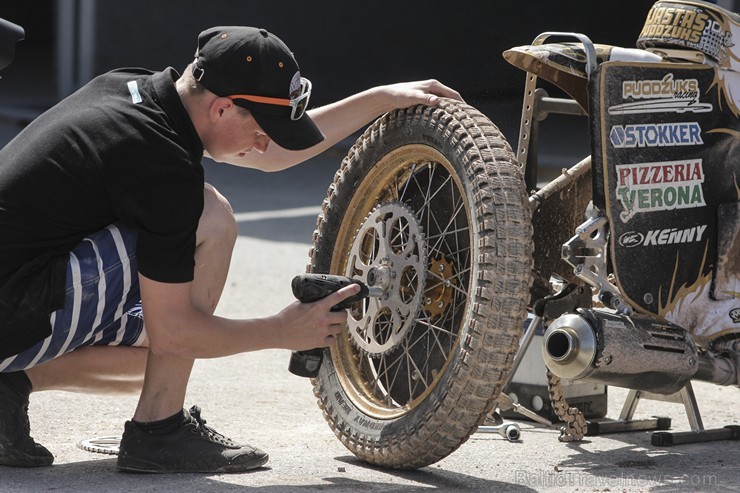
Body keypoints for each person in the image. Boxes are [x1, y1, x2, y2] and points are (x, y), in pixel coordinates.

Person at [0, 26, 463, 473]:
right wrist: (282, 330)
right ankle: (158, 432)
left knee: (161, 364)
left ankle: (8, 387)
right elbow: (176, 333)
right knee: (210, 221)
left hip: (17, 292)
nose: (265, 141)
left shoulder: (136, 91)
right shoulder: (160, 164)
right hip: (12, 303)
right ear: (223, 109)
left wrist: (381, 99)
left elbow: (270, 153)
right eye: (264, 126)